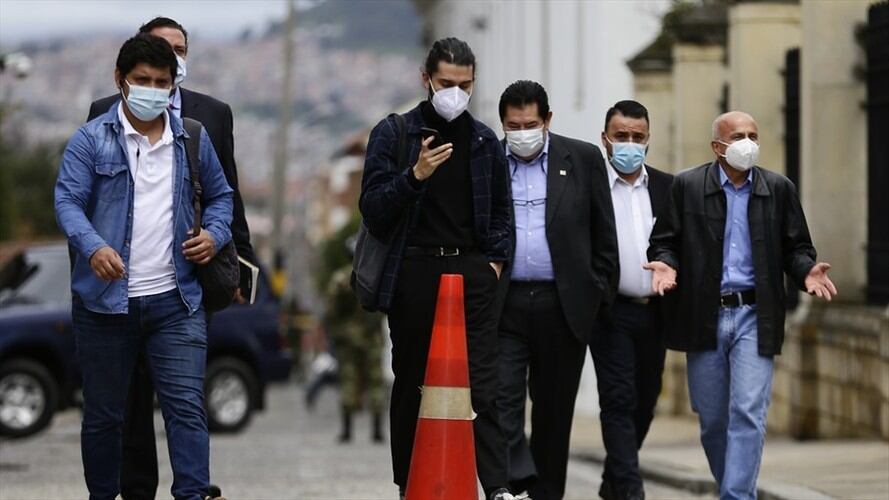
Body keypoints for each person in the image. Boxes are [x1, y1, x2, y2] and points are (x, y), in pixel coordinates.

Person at [55, 33, 233, 500]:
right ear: (121, 81)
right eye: (142, 80)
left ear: (173, 86)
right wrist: (94, 247)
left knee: (186, 410)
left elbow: (221, 197)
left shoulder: (192, 139)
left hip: (177, 301)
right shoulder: (90, 140)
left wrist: (214, 234)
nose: (152, 89)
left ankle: (192, 494)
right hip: (104, 308)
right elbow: (68, 202)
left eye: (161, 82)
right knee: (104, 417)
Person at [645, 111, 837, 499]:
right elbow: (664, 240)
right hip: (704, 315)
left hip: (755, 314)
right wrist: (665, 263)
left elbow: (796, 248)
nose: (748, 142)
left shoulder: (777, 188)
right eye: (738, 136)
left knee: (748, 413)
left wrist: (805, 273)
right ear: (718, 147)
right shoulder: (687, 186)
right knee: (713, 420)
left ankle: (735, 496)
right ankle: (733, 488)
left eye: (753, 134)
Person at [359, 37, 515, 500]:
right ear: (425, 79)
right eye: (447, 83)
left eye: (465, 85)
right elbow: (373, 209)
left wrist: (491, 266)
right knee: (412, 379)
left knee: (484, 381)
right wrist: (414, 176)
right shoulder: (395, 134)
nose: (456, 93)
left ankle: (497, 485)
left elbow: (503, 218)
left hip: (472, 272)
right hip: (414, 270)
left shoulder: (486, 140)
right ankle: (410, 482)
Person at [494, 81, 617, 500]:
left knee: (553, 412)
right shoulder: (487, 161)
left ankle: (546, 494)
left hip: (562, 305)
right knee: (500, 401)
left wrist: (597, 292)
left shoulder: (581, 159)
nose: (522, 132)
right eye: (513, 125)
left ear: (547, 120)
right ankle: (516, 482)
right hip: (504, 305)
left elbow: (604, 234)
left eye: (530, 123)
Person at [589, 100, 673, 500]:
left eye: (637, 137)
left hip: (655, 311)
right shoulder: (590, 189)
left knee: (645, 401)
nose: (629, 144)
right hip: (610, 311)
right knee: (618, 399)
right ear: (605, 139)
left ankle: (612, 482)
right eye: (621, 136)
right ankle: (631, 489)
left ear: (648, 139)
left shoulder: (666, 188)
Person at [324, 244, 386, 444]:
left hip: (348, 338)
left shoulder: (339, 279)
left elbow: (331, 313)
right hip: (371, 338)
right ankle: (377, 430)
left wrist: (338, 333)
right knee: (376, 383)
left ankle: (347, 430)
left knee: (348, 382)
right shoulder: (375, 276)